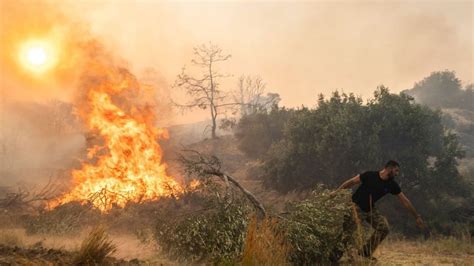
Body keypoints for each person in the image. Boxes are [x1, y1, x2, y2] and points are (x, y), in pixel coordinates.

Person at [331, 160, 425, 260]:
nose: (397, 174)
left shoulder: (392, 184)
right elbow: (351, 182)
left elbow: (405, 201)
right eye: (396, 171)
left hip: (370, 209)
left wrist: (417, 216)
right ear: (389, 168)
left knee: (383, 228)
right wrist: (336, 192)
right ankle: (333, 258)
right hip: (355, 207)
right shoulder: (370, 175)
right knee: (347, 233)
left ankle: (365, 253)